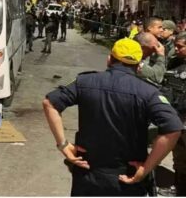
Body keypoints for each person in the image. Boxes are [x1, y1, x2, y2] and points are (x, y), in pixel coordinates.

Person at [43, 38, 183, 196]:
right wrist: (146, 168)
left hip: (88, 172)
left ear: (109, 59)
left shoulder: (85, 81)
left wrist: (63, 145)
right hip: (127, 177)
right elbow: (173, 129)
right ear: (138, 66)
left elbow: (49, 103)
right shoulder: (149, 92)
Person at [160, 32, 186, 196]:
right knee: (179, 157)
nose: (176, 49)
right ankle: (179, 188)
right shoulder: (175, 63)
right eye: (176, 46)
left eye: (180, 46)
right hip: (177, 119)